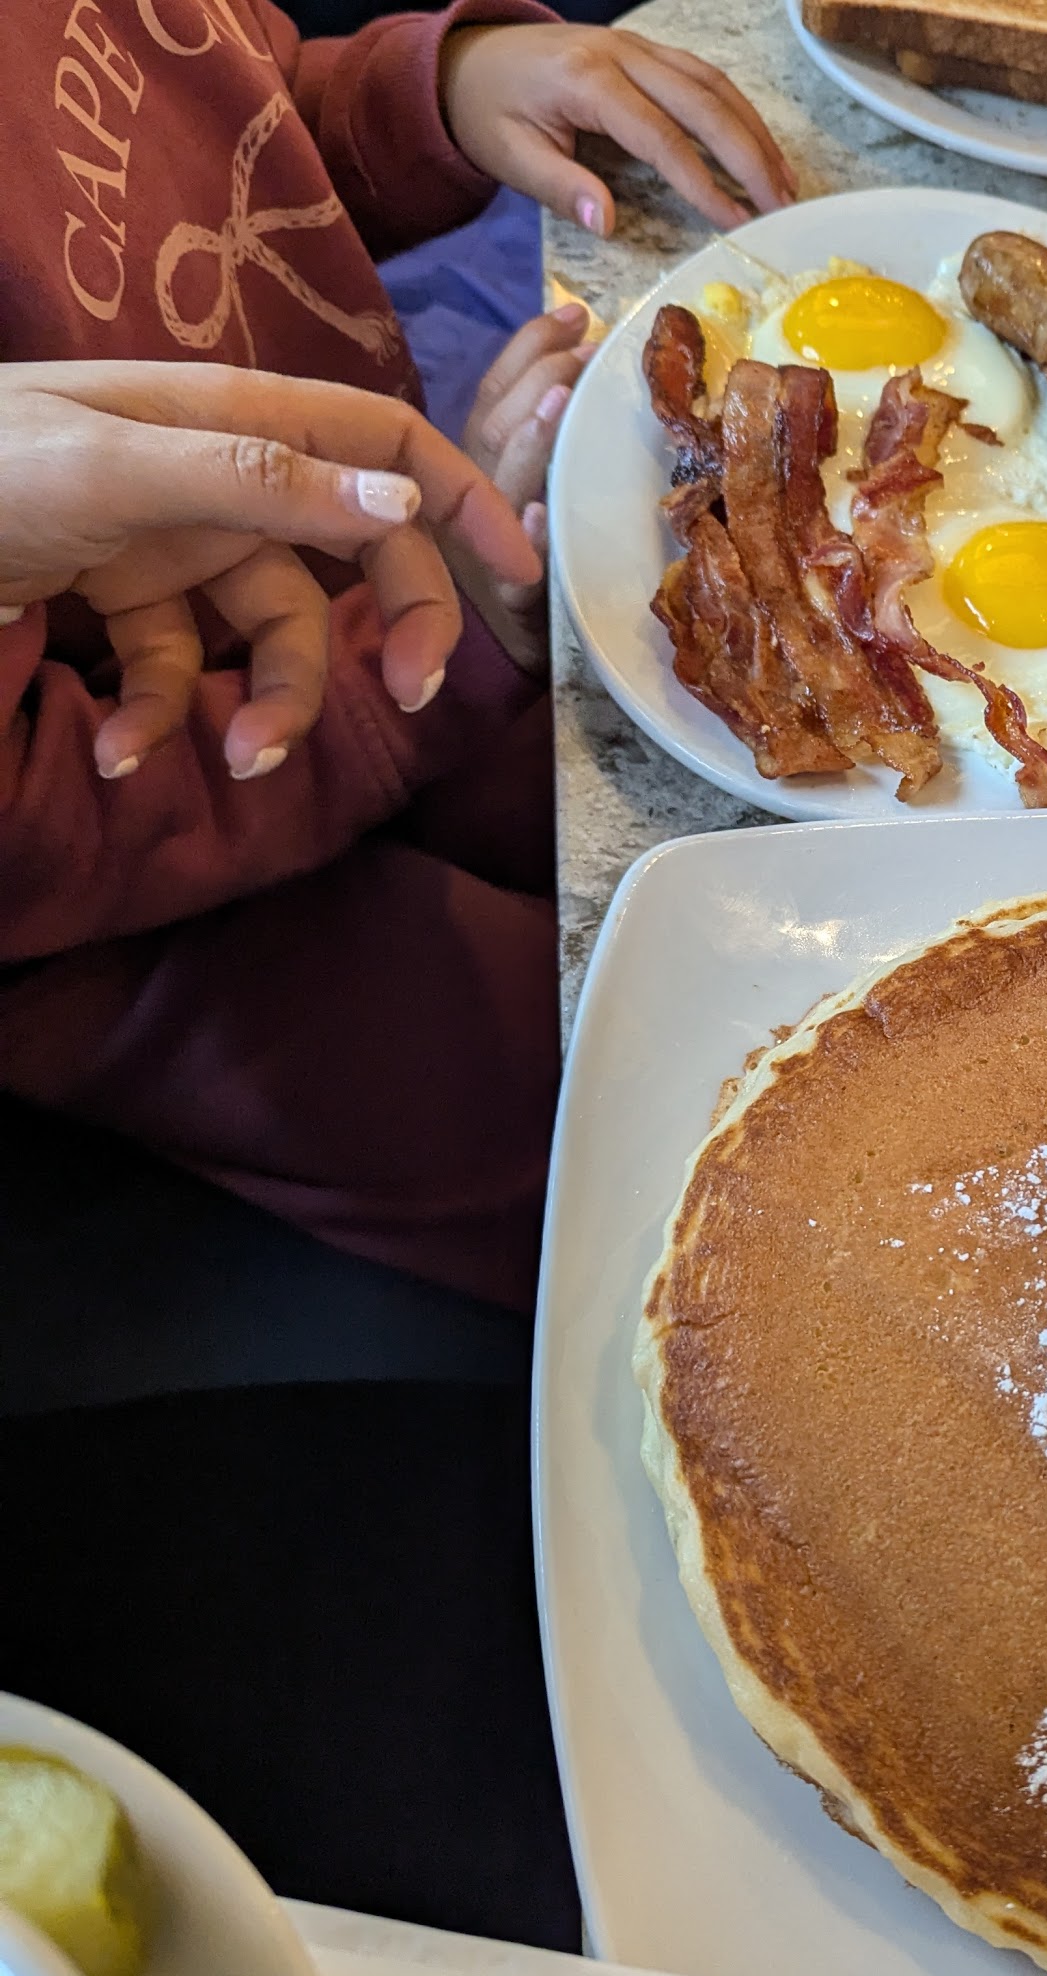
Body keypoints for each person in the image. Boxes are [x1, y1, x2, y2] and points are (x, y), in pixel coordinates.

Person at [0, 7, 793, 1314]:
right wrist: (449, 638)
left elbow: (215, 120)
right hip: (148, 906)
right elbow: (58, 831)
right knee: (670, 1124)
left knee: (731, 845)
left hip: (391, 593)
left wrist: (432, 95)